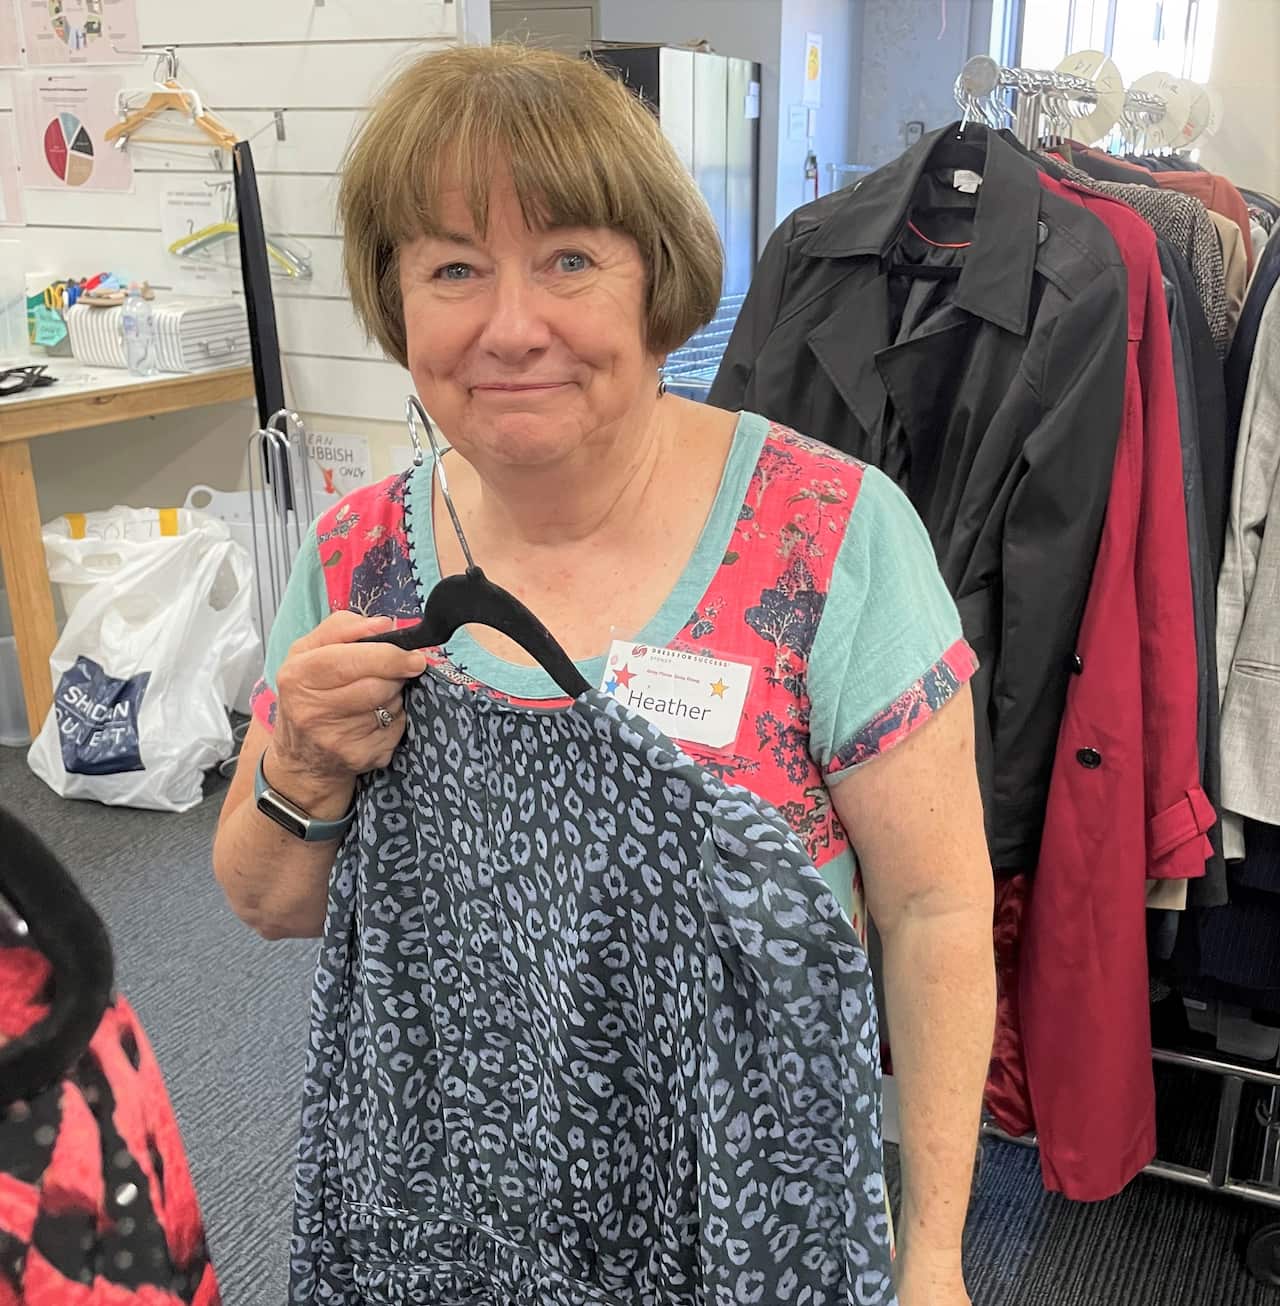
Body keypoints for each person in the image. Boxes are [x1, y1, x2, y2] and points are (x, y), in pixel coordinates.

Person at [213, 43, 994, 1306]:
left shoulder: (825, 533)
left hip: (738, 1202)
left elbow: (934, 912)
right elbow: (270, 903)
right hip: (445, 1198)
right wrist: (301, 765)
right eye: (453, 267)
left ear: (655, 281)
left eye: (568, 258)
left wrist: (936, 1256)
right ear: (396, 300)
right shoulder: (361, 554)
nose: (511, 326)